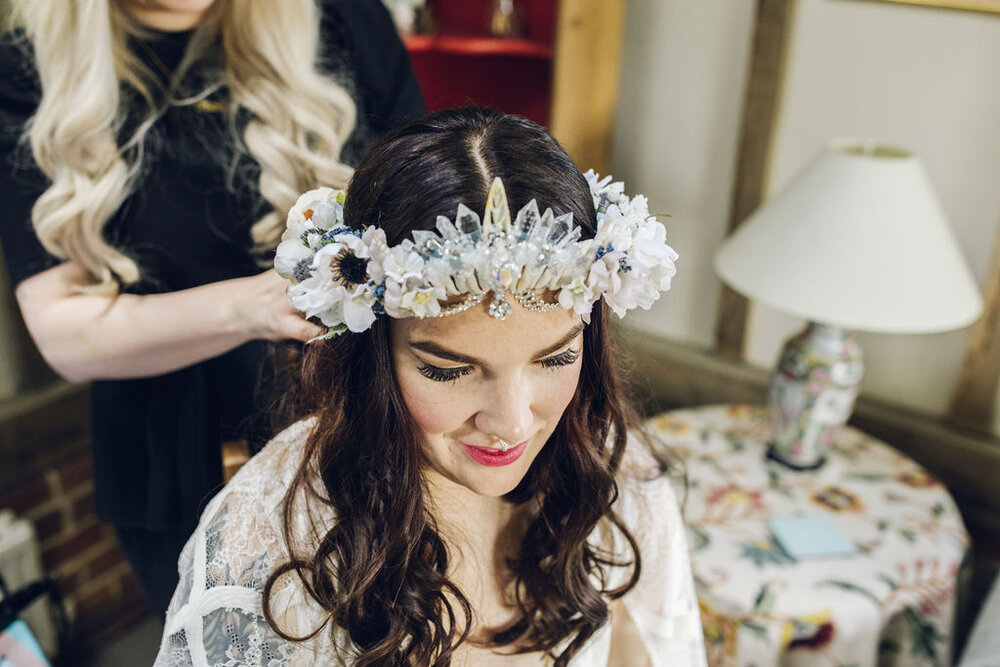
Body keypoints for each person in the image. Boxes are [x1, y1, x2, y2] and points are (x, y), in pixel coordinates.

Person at [155, 107, 707, 666]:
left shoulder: (613, 471)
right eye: (449, 370)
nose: (512, 423)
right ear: (372, 352)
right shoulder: (269, 544)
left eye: (556, 357)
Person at [0, 0, 425, 614]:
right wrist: (253, 306)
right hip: (176, 456)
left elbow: (421, 215)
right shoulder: (26, 64)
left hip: (359, 428)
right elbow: (64, 330)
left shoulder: (343, 16)